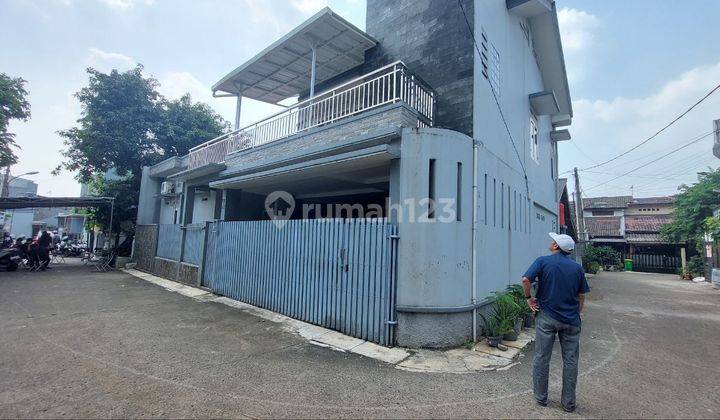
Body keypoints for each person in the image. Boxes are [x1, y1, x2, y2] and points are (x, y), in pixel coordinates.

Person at [522, 232, 590, 413]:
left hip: (547, 317)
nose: (551, 243)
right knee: (570, 361)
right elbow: (581, 295)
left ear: (556, 247)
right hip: (571, 321)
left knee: (542, 357)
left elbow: (525, 279)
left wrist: (529, 298)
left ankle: (541, 398)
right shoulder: (577, 268)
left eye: (553, 242)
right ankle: (568, 403)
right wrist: (577, 312)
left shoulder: (543, 261)